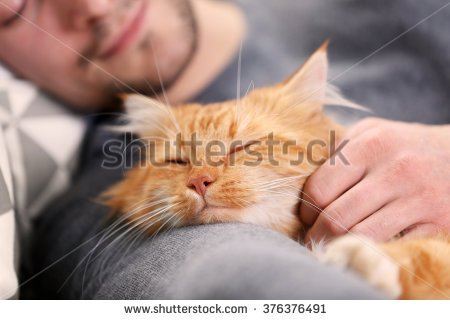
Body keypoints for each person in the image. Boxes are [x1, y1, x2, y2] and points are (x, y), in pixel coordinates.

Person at [0, 0, 449, 299]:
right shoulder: (98, 207)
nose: (93, 7)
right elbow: (238, 281)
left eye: (245, 149)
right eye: (17, 6)